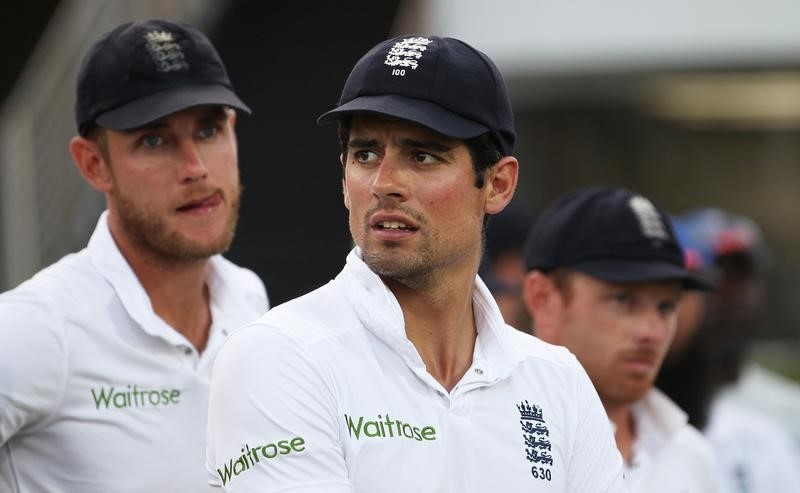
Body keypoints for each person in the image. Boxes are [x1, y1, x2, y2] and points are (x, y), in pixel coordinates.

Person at [206, 35, 626, 492]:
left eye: (422, 155)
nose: (386, 183)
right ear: (345, 180)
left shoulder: (557, 380)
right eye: (366, 154)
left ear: (498, 184)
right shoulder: (278, 355)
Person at [0, 19, 268, 493]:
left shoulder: (248, 299)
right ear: (93, 164)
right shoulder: (38, 327)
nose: (196, 168)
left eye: (208, 130)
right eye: (154, 140)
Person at [521, 186, 719, 492]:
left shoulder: (691, 457)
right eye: (624, 299)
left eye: (666, 306)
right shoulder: (495, 436)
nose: (652, 332)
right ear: (543, 298)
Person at [659, 208, 800, 492]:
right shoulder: (636, 412)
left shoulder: (790, 410)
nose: (733, 296)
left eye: (743, 277)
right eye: (715, 277)